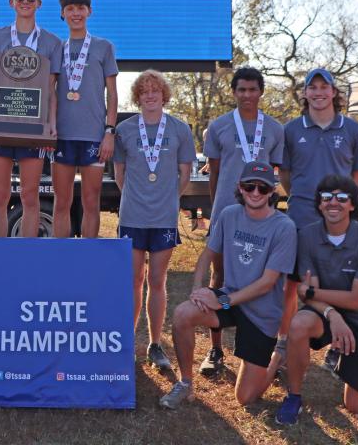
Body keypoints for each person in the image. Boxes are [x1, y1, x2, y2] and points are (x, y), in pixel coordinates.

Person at [160, 162, 296, 409]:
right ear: (240, 188)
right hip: (230, 298)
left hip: (262, 312)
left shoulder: (284, 227)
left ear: (272, 191)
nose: (255, 193)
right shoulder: (229, 214)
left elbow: (267, 283)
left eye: (262, 188)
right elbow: (208, 254)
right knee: (182, 314)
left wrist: (221, 300)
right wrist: (197, 288)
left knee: (245, 398)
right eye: (249, 186)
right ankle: (185, 383)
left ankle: (277, 357)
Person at [275, 175, 358, 425]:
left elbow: (356, 299)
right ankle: (293, 397)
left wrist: (313, 295)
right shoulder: (307, 236)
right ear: (319, 205)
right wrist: (332, 314)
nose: (333, 203)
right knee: (298, 324)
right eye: (327, 198)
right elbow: (307, 291)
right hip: (328, 313)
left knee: (355, 405)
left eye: (342, 197)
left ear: (352, 204)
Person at [278, 68, 358, 367]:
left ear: (334, 92)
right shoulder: (291, 129)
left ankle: (338, 342)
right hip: (301, 214)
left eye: (324, 87)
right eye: (312, 87)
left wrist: (340, 202)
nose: (318, 92)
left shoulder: (354, 130)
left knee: (338, 280)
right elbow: (286, 174)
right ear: (304, 93)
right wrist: (305, 199)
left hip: (339, 215)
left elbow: (356, 174)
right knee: (292, 283)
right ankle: (284, 342)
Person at [200, 66, 284, 375]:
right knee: (219, 278)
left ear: (261, 92)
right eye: (241, 90)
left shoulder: (275, 129)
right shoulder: (220, 126)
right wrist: (216, 210)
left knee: (265, 280)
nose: (247, 95)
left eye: (253, 89)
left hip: (263, 219)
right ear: (234, 92)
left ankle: (266, 346)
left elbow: (275, 176)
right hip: (227, 214)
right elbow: (216, 174)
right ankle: (215, 349)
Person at [113, 70, 196, 370]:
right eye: (144, 91)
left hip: (163, 218)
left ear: (164, 95)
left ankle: (155, 343)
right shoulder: (124, 130)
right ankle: (126, 340)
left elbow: (185, 172)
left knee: (157, 281)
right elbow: (119, 174)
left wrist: (169, 199)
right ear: (137, 97)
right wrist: (136, 197)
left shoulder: (179, 129)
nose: (150, 95)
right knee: (132, 281)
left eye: (155, 90)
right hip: (133, 216)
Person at [0, 0, 62, 237]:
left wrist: (51, 125)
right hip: (0, 124)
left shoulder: (52, 42)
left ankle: (26, 254)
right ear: (11, 2)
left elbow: (51, 90)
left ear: (38, 3)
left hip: (34, 128)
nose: (25, 2)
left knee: (29, 196)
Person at [51, 0, 119, 239]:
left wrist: (109, 131)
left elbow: (112, 94)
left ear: (89, 11)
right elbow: (49, 91)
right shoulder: (57, 48)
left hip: (93, 135)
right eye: (70, 9)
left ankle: (87, 257)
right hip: (63, 136)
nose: (76, 13)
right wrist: (49, 126)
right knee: (61, 202)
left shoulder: (104, 47)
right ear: (62, 14)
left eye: (80, 8)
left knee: (91, 201)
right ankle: (61, 258)